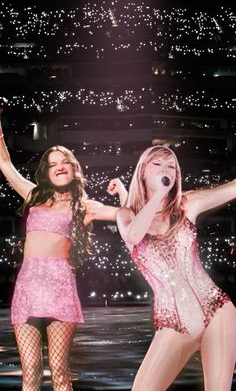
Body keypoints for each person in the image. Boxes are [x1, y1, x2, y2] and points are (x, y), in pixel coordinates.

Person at [0, 111, 127, 391]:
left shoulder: (85, 206)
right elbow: (4, 163)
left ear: (74, 169)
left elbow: (128, 216)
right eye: (52, 164)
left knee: (59, 372)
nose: (59, 167)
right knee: (29, 372)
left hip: (59, 287)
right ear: (46, 171)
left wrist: (123, 192)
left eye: (64, 162)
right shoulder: (34, 196)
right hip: (28, 287)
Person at [116, 145, 236, 391]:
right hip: (175, 322)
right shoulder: (126, 215)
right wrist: (158, 196)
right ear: (142, 172)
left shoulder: (187, 204)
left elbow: (230, 189)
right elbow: (133, 235)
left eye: (171, 166)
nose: (165, 169)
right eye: (157, 164)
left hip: (216, 309)